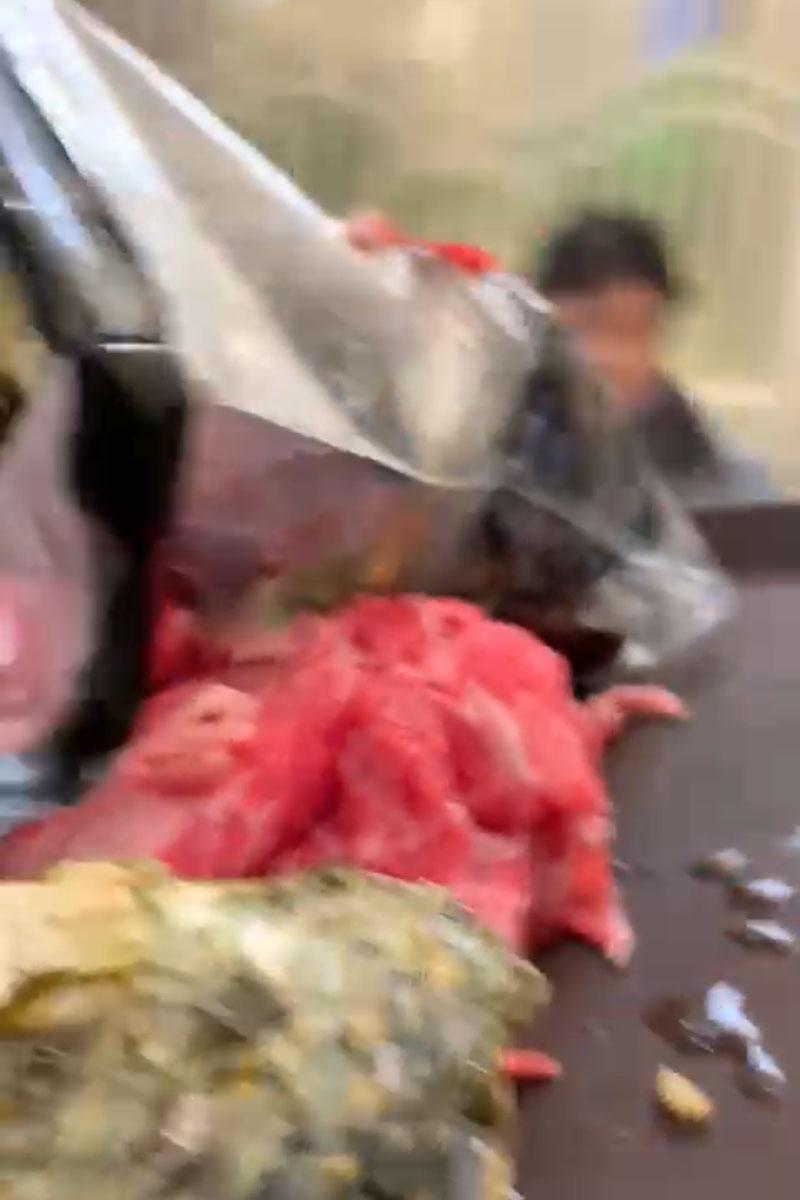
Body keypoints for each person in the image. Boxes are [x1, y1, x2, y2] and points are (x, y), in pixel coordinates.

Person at [536, 210, 776, 506]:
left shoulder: (717, 464)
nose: (614, 359)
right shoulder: (503, 441)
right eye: (589, 328)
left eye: (635, 333)